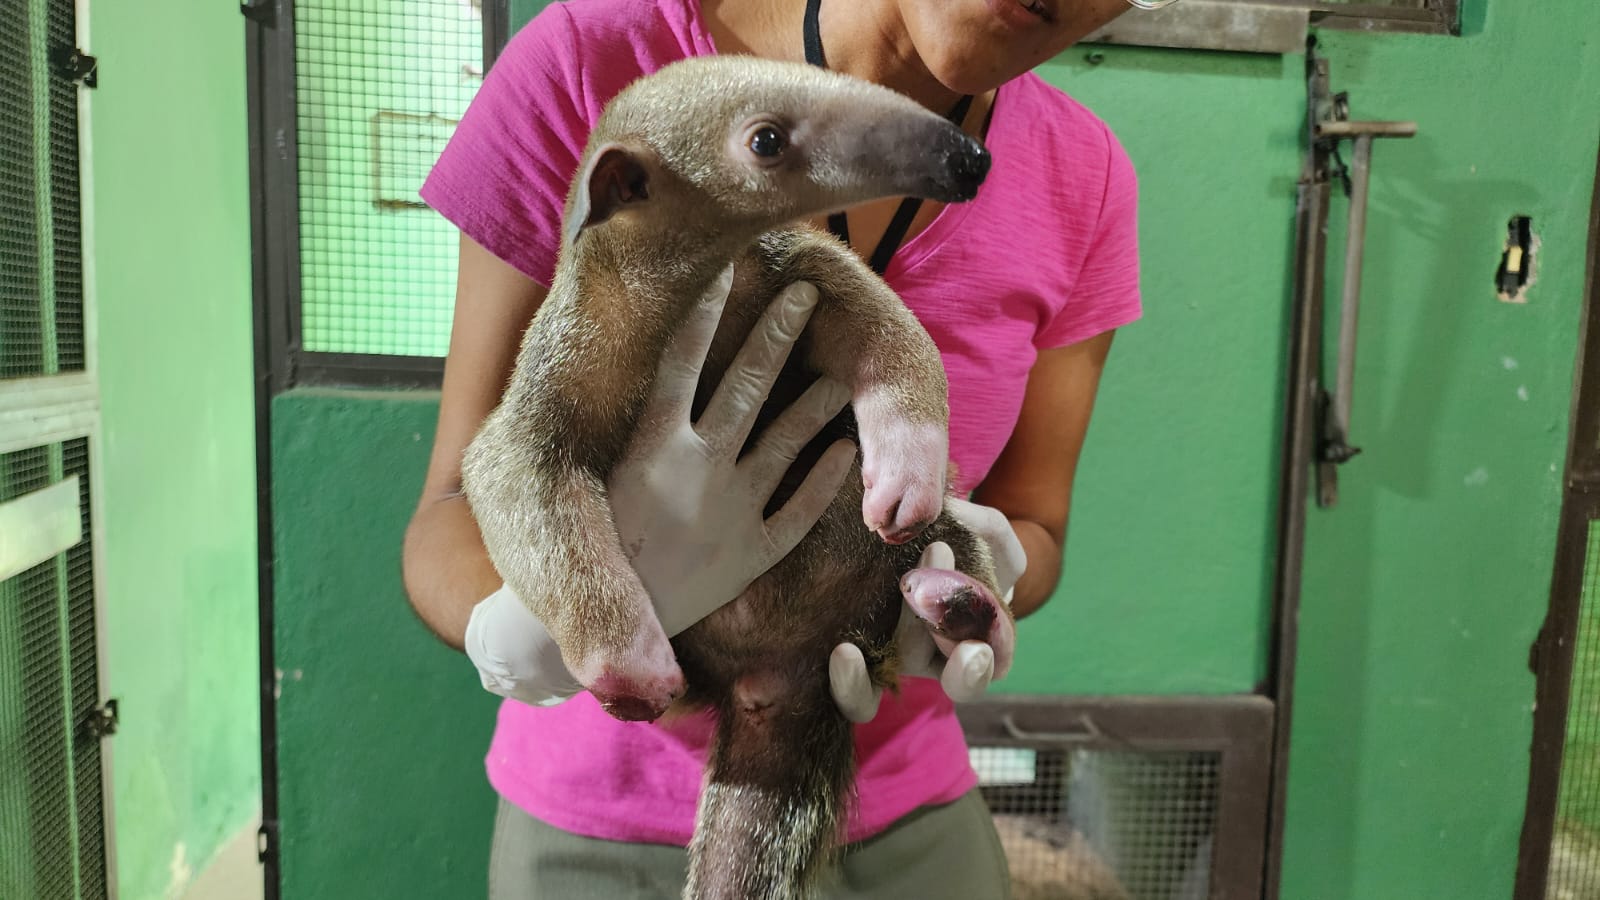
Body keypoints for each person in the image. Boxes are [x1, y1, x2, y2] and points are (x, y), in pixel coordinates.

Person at [403, 0, 1155, 895]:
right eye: (766, 146)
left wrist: (980, 557)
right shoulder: (593, 62)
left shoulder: (1084, 172)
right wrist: (531, 627)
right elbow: (469, 492)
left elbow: (1036, 522)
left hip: (887, 769)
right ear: (622, 192)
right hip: (598, 805)